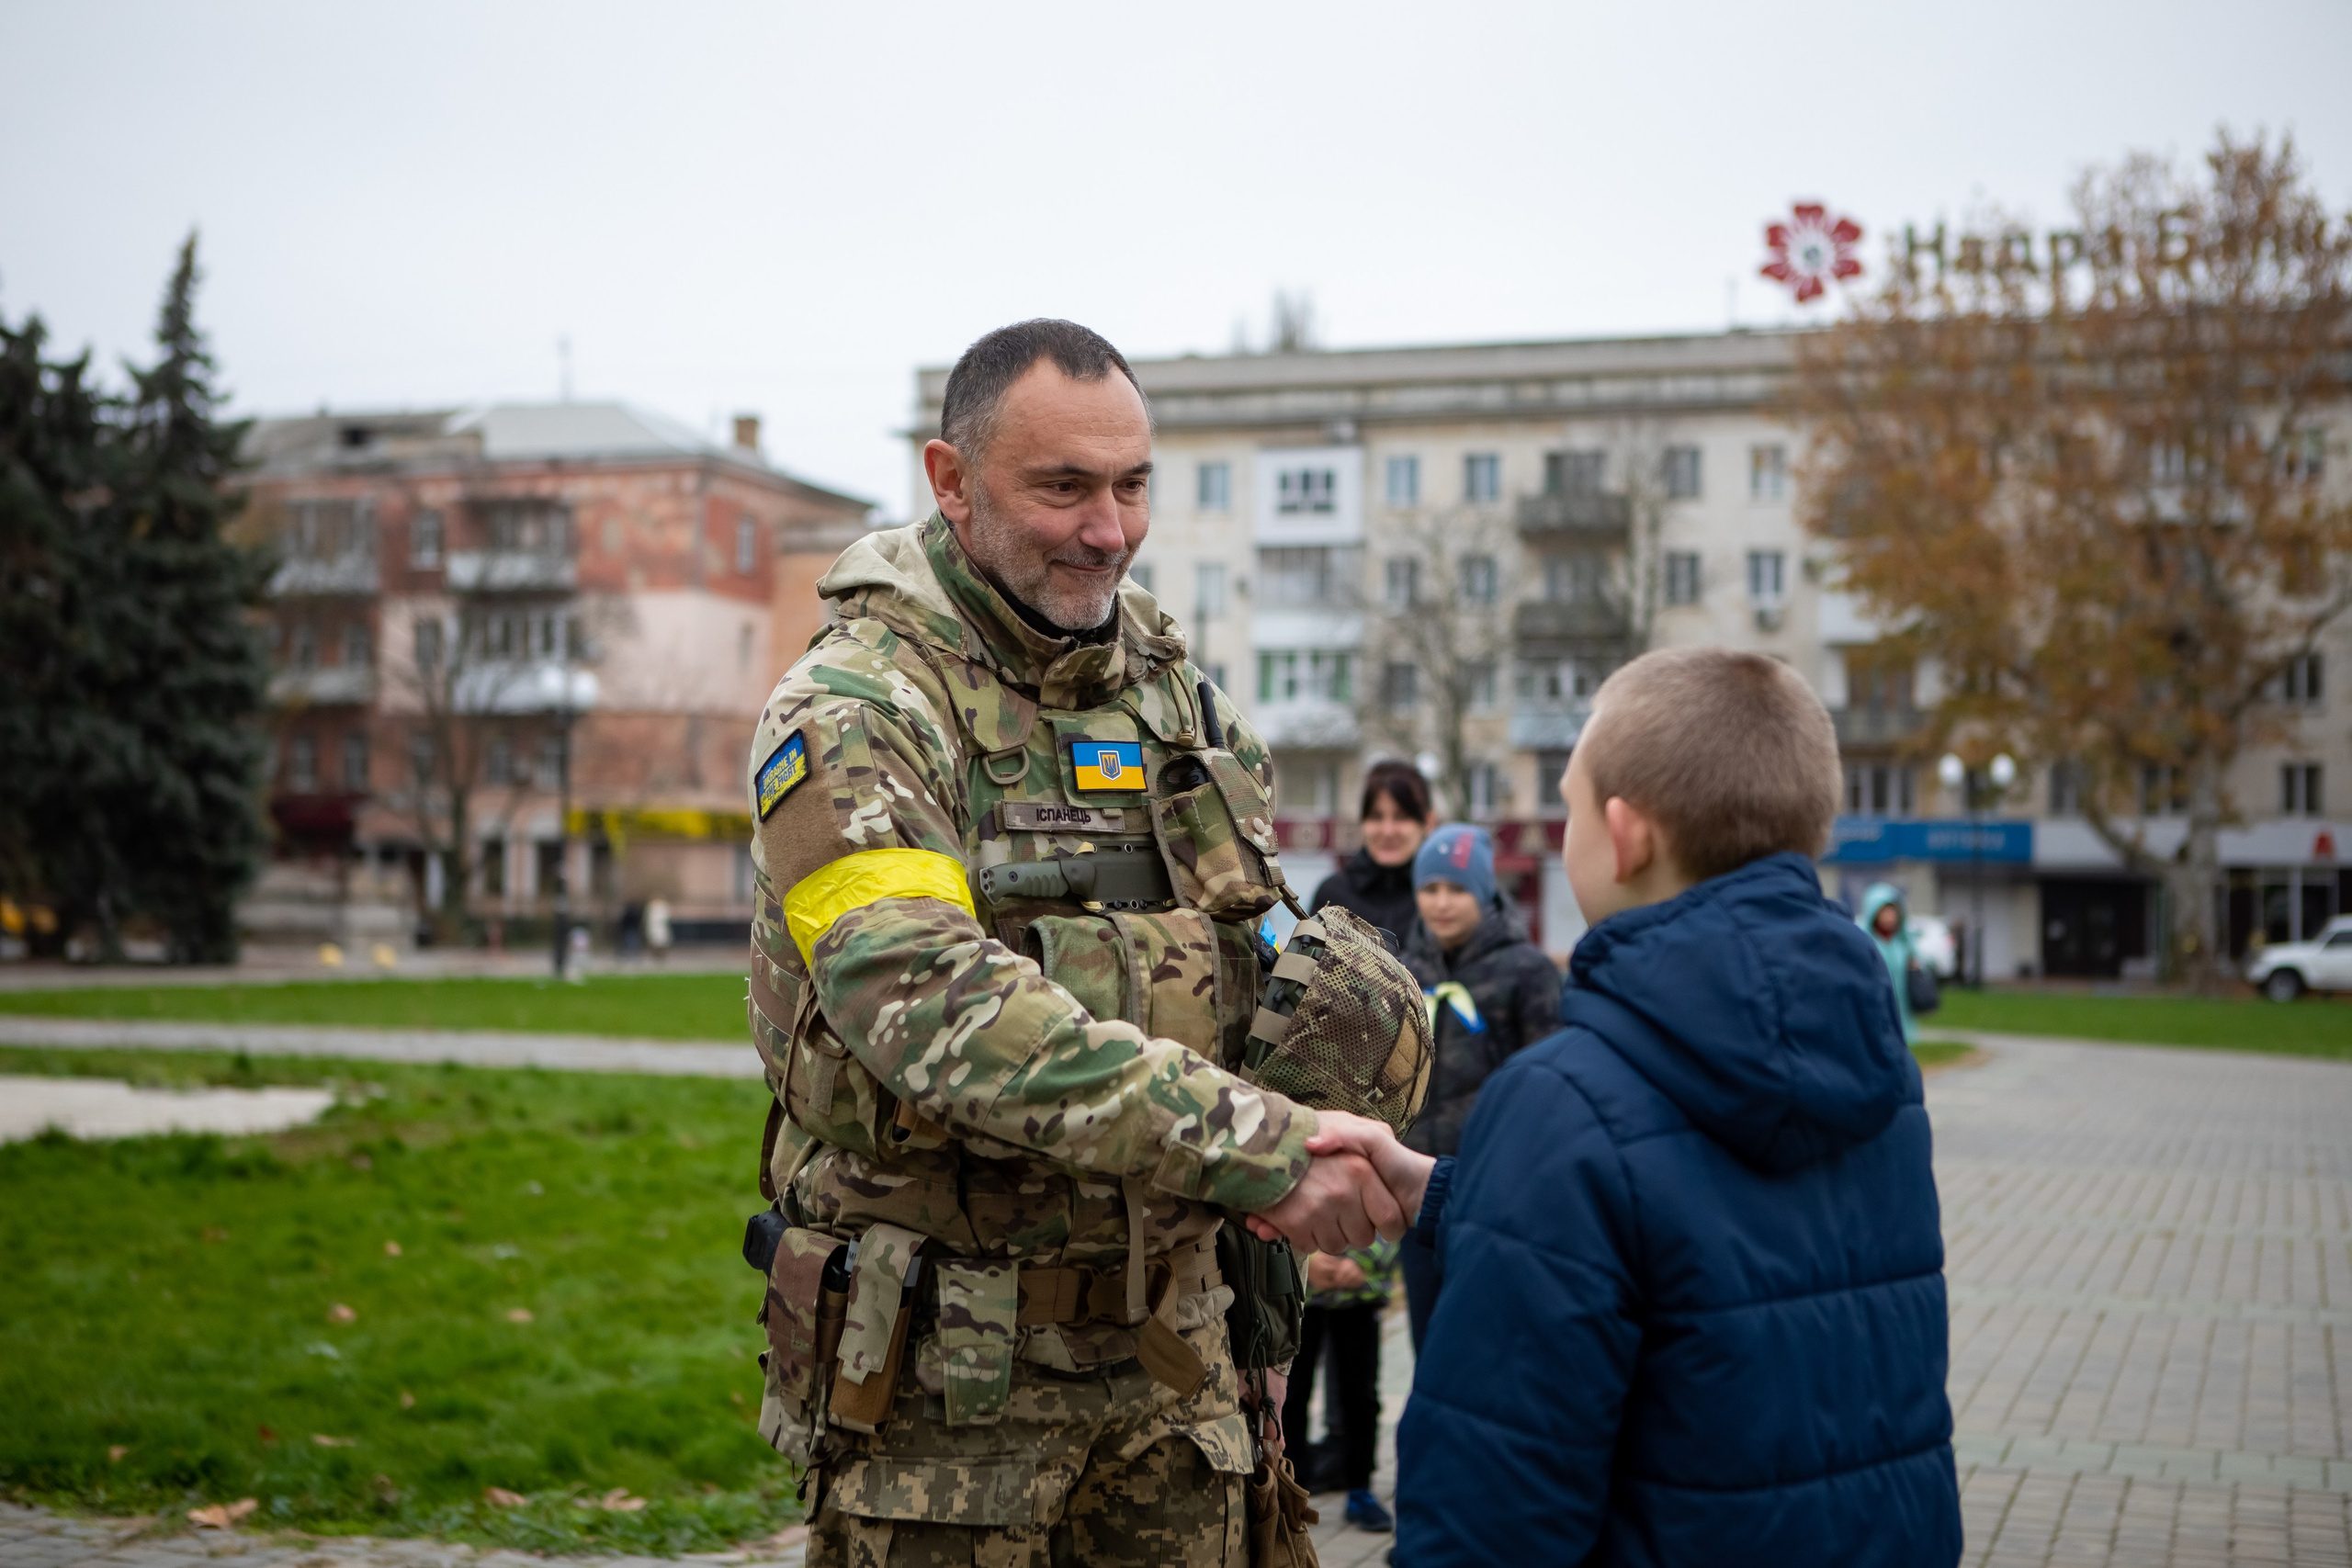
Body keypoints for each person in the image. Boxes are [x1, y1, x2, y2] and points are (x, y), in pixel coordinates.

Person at [742, 319, 1412, 1568]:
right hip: (951, 1398)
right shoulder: (857, 705)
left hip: (1181, 1378)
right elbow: (930, 1005)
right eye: (1064, 486)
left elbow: (1243, 965)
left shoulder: (1168, 693)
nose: (1108, 527)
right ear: (951, 480)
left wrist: (1264, 1348)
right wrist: (1261, 1147)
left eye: (1132, 483)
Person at [1295, 647, 1962, 1567]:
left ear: (1625, 834)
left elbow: (1488, 1519)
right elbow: (1717, 1255)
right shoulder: (1878, 1076)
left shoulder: (1560, 1103)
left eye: (1568, 805)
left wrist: (1520, 1185)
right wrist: (1450, 1195)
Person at [1394, 822, 1559, 1350]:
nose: (1442, 903)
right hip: (1417, 1193)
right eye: (1430, 888)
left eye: (1458, 889)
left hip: (1496, 1193)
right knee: (1429, 1340)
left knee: (1489, 1347)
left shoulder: (1526, 971)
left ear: (1486, 892)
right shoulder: (1401, 969)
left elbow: (1547, 1091)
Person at [1281, 1235, 1399, 1532]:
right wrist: (1306, 1257)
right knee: (1291, 1395)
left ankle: (1360, 1490)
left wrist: (1363, 1260)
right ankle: (1293, 1490)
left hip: (1360, 1294)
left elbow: (1395, 1215)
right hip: (1300, 1294)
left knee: (1361, 1398)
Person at [1310, 761, 1435, 944]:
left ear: (1428, 822)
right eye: (1376, 817)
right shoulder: (1332, 897)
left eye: (1401, 817)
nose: (1387, 831)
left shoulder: (1442, 899)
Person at [1860, 882, 1923, 1043]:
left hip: (1902, 1006)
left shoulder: (1902, 943)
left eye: (1892, 912)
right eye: (1884, 912)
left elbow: (1921, 963)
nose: (1889, 917)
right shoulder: (1866, 942)